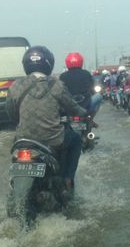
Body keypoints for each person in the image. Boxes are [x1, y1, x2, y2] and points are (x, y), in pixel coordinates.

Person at [6, 46, 86, 191]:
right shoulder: (57, 85)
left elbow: (11, 114)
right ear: (49, 63)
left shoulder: (15, 86)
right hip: (53, 139)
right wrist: (84, 113)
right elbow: (73, 109)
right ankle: (68, 179)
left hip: (23, 141)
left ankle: (13, 185)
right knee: (76, 140)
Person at [59, 52, 102, 126]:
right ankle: (91, 119)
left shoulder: (62, 76)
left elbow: (60, 90)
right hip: (85, 104)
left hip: (69, 105)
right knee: (99, 96)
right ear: (80, 61)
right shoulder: (86, 73)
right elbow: (92, 87)